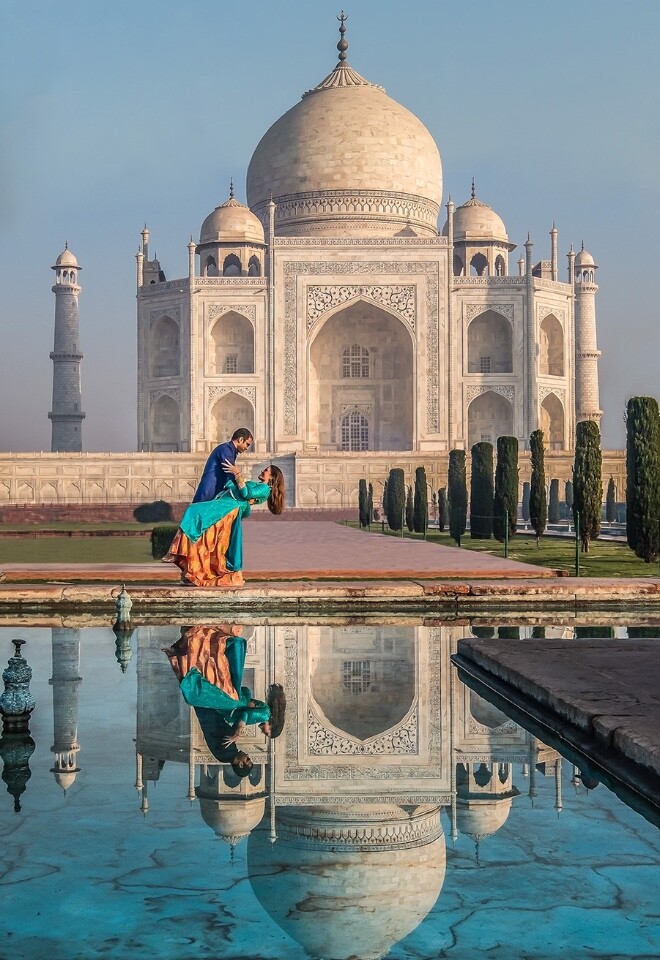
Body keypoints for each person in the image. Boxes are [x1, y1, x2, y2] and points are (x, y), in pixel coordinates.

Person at [164, 624, 286, 779]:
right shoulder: (228, 752)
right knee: (204, 685)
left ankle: (193, 643)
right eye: (266, 732)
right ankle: (190, 644)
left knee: (213, 683)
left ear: (240, 764)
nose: (248, 755)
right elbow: (244, 713)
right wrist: (236, 728)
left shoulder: (228, 751)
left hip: (217, 710)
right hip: (217, 708)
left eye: (247, 759)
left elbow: (245, 706)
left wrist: (237, 731)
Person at [165, 461, 285, 586]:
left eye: (266, 470)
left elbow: (246, 494)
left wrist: (237, 474)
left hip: (227, 508)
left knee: (198, 520)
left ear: (271, 477)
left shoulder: (265, 489)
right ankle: (194, 571)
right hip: (225, 505)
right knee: (205, 535)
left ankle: (194, 569)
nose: (262, 471)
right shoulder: (258, 485)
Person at [192, 427, 253, 503]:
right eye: (247, 444)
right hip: (209, 492)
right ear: (240, 439)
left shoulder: (230, 451)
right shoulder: (226, 449)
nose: (247, 448)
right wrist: (243, 490)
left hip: (213, 491)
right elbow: (231, 473)